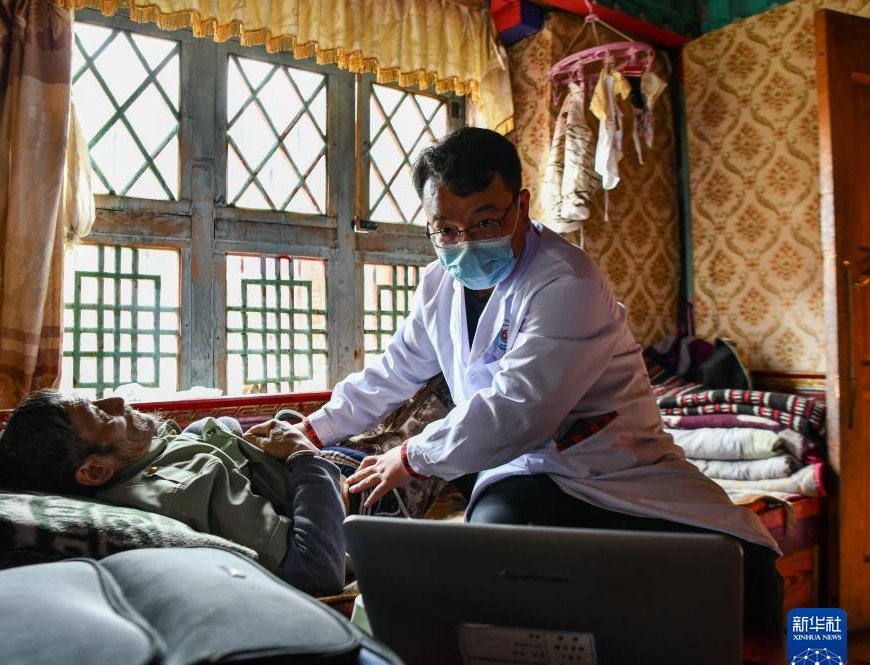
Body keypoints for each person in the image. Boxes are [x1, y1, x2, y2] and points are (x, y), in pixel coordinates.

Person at [293, 126, 784, 631]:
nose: (466, 243)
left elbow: (517, 409)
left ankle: (803, 658)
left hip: (612, 470)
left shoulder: (566, 281)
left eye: (486, 222)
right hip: (519, 473)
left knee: (744, 579)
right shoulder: (438, 285)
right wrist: (313, 430)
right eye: (446, 230)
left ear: (521, 205)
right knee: (502, 560)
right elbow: (396, 369)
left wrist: (409, 457)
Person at [0, 390, 347, 596]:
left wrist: (221, 433)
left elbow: (189, 446)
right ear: (95, 471)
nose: (116, 400)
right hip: (357, 499)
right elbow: (317, 571)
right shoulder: (187, 490)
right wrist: (304, 456)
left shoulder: (135, 465)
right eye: (101, 414)